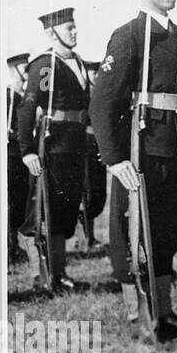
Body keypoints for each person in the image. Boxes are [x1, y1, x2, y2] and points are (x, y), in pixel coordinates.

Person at [90, 0, 177, 341]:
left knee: (168, 231)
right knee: (133, 232)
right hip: (142, 150)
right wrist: (114, 158)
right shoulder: (130, 35)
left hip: (176, 149)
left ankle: (164, 311)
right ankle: (139, 317)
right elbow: (103, 101)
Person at [17, 8, 91, 291]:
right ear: (51, 33)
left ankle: (59, 274)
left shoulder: (78, 61)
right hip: (52, 147)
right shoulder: (46, 64)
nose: (74, 32)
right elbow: (28, 107)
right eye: (68, 28)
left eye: (75, 26)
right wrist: (27, 151)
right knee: (44, 211)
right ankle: (43, 277)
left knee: (65, 210)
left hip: (74, 145)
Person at [79, 58, 108, 247]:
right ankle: (86, 238)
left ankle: (90, 237)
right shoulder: (81, 96)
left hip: (99, 146)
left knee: (98, 194)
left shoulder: (102, 94)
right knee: (87, 194)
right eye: (92, 72)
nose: (95, 76)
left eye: (97, 72)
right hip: (85, 147)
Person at [7, 53, 31, 265]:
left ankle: (14, 246)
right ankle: (8, 248)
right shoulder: (7, 96)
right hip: (9, 157)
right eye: (24, 68)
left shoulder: (24, 98)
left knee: (20, 203)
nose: (27, 73)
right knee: (10, 203)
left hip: (21, 157)